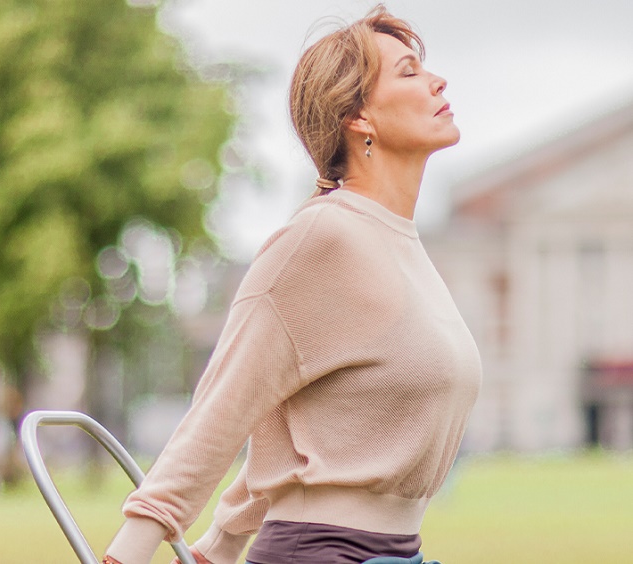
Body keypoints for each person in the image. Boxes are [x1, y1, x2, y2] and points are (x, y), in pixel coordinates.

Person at [103, 5, 482, 564]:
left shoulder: (403, 246)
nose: (437, 80)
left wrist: (224, 538)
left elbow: (300, 417)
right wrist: (130, 552)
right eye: (408, 72)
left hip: (399, 553)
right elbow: (228, 399)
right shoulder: (321, 236)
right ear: (359, 117)